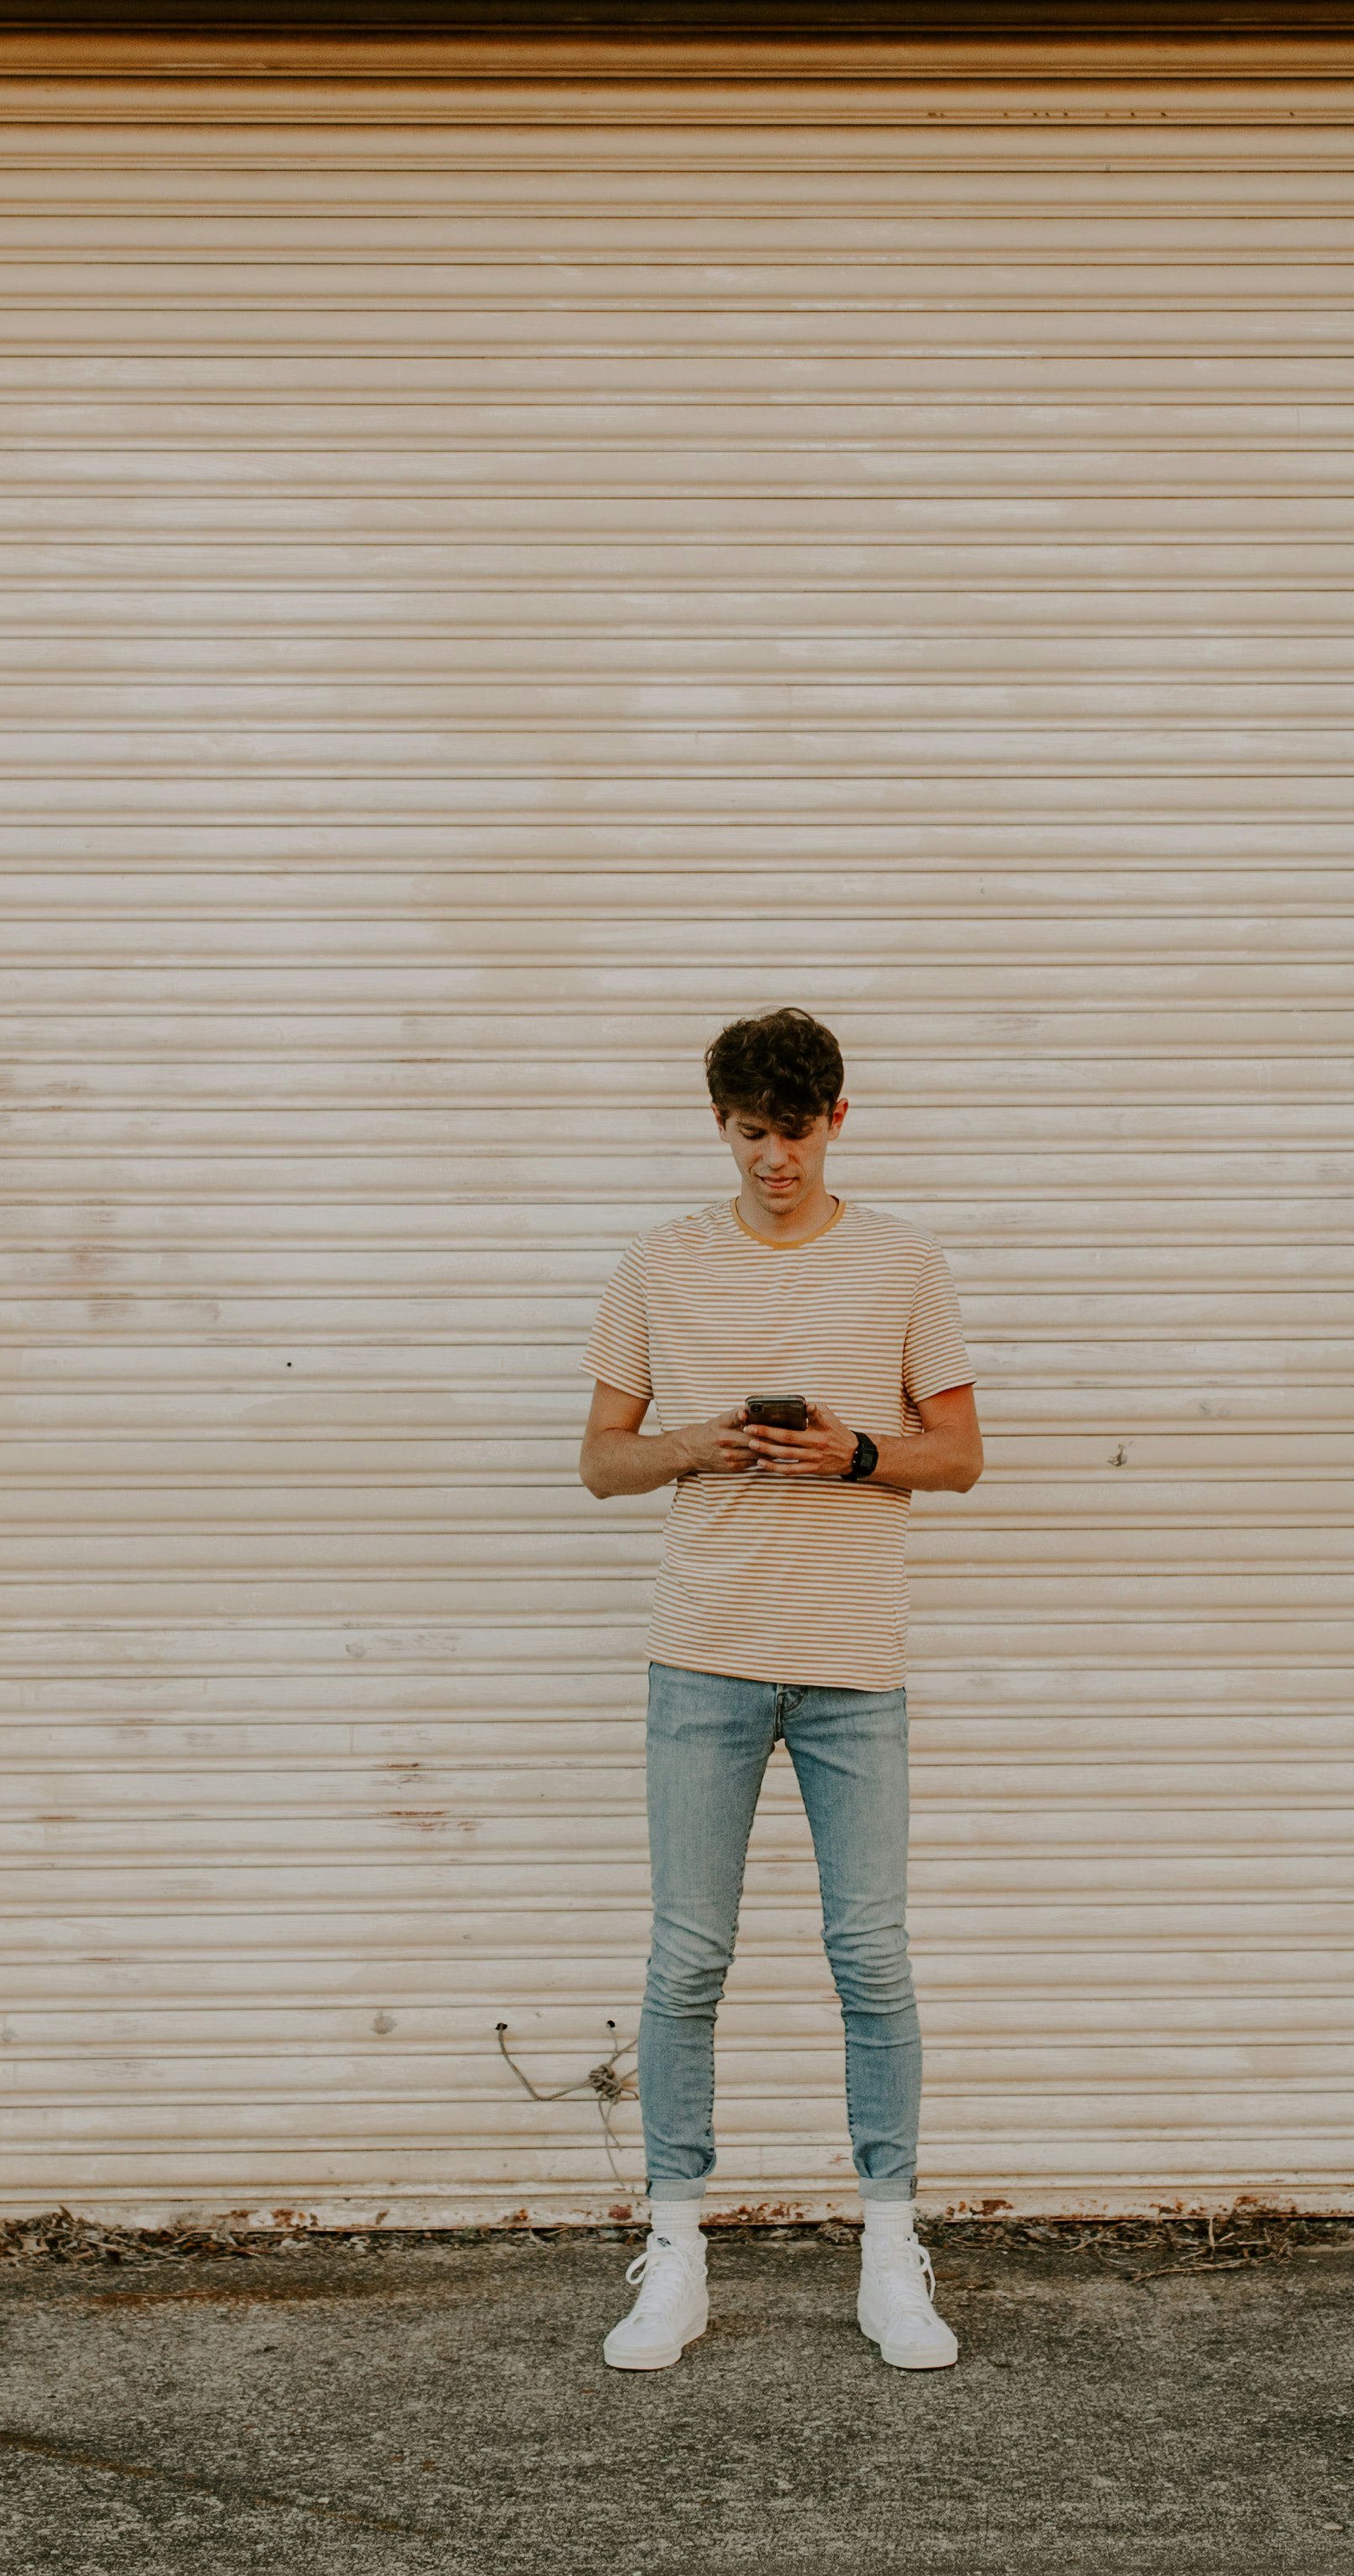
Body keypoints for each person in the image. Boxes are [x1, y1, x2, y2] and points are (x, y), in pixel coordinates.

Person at [572, 1006, 984, 2373]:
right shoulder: (656, 1263)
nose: (772, 1160)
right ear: (720, 1127)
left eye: (794, 1133)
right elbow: (602, 1463)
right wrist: (703, 1442)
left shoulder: (904, 1262)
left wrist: (855, 1453)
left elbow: (961, 1454)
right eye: (749, 1134)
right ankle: (676, 2251)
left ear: (836, 1121)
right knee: (687, 1957)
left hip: (854, 1663)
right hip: (703, 1655)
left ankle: (888, 2250)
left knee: (870, 1958)